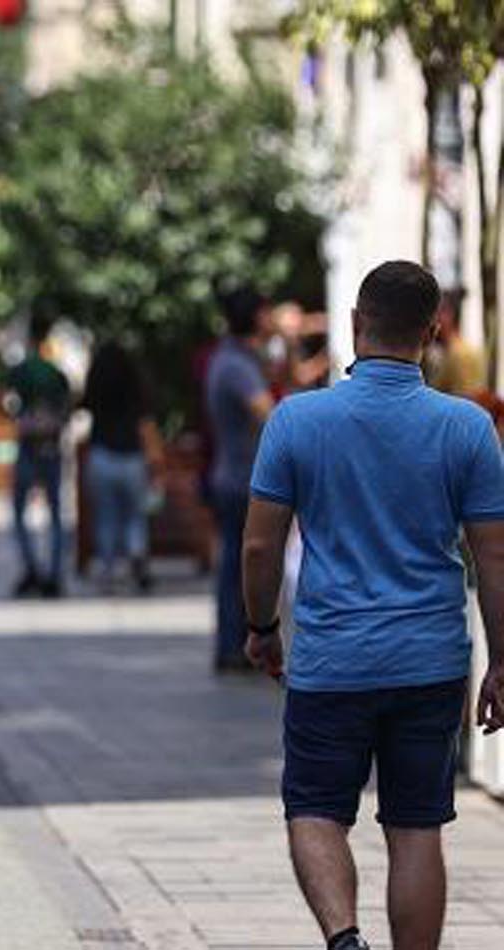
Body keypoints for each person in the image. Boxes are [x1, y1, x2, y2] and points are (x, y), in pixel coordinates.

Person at [242, 261, 504, 950]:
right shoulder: (468, 428)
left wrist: (262, 628)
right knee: (417, 827)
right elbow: (495, 556)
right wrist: (501, 663)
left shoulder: (297, 420)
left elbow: (258, 549)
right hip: (429, 661)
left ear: (356, 325)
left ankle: (343, 938)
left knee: (314, 809)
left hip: (331, 660)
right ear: (433, 332)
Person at [206, 287, 276, 672]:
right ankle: (234, 646)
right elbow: (268, 414)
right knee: (240, 566)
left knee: (237, 563)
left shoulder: (237, 359)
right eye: (267, 313)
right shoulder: (235, 365)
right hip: (240, 479)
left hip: (235, 475)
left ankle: (235, 644)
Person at [80, 342, 160, 593]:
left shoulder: (96, 386)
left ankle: (108, 568)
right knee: (135, 517)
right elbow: (145, 423)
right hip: (132, 457)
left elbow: (83, 408)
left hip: (101, 455)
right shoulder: (135, 388)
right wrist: (155, 459)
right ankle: (137, 554)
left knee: (106, 517)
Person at [5, 314, 72, 598]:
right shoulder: (56, 373)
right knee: (56, 512)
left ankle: (32, 566)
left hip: (28, 446)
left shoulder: (21, 370)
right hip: (52, 447)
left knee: (20, 512)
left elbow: (6, 400)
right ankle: (54, 572)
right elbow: (67, 406)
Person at [426, 288, 485, 398]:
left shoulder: (461, 354)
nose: (430, 323)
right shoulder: (450, 353)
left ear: (447, 315)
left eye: (434, 315)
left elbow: (466, 404)